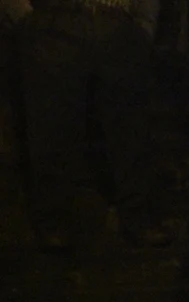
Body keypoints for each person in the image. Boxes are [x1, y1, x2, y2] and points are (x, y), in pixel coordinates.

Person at [15, 0, 162, 249]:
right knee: (51, 125)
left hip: (115, 18)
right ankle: (52, 219)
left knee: (131, 126)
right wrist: (25, 17)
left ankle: (137, 214)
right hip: (53, 16)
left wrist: (144, 24)